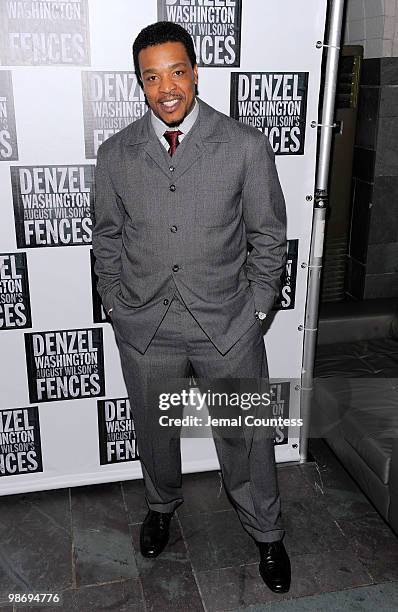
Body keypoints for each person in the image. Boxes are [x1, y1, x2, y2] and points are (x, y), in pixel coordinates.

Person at [92, 20, 290, 593]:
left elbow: (269, 235)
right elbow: (106, 236)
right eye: (152, 78)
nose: (167, 87)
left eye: (177, 71)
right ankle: (160, 505)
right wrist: (117, 302)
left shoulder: (244, 144)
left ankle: (268, 533)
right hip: (146, 325)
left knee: (246, 436)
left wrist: (254, 309)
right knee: (155, 430)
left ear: (195, 72)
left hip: (227, 324)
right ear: (141, 84)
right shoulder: (115, 153)